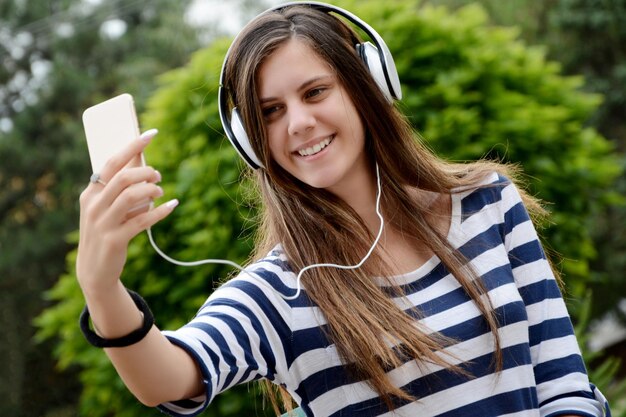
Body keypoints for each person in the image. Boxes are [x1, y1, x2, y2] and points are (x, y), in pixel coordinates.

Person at [76, 2, 611, 417]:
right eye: (271, 111)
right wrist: (102, 287)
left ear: (368, 87)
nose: (299, 122)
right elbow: (167, 378)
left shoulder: (489, 203)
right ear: (251, 140)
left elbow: (564, 381)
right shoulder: (279, 293)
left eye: (315, 92)